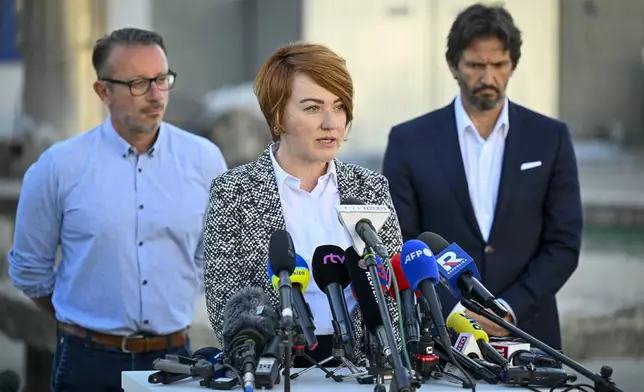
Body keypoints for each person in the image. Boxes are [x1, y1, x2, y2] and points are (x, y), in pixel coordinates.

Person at [8, 28, 227, 391]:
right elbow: (30, 271)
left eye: (162, 79)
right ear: (103, 91)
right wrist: (81, 318)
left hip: (177, 360)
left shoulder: (204, 160)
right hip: (87, 363)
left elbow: (215, 259)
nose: (156, 95)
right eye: (139, 83)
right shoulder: (58, 167)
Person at [382, 3, 583, 350]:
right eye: (476, 65)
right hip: (439, 338)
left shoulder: (550, 138)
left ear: (512, 64)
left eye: (499, 64)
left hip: (530, 333)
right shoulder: (408, 142)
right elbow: (402, 244)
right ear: (453, 65)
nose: (488, 78)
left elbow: (563, 242)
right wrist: (456, 313)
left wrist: (508, 309)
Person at [202, 42, 403, 366]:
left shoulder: (371, 187)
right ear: (278, 114)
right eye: (312, 108)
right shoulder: (233, 191)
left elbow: (393, 294)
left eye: (339, 106)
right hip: (274, 369)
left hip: (365, 369)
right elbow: (226, 305)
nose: (330, 122)